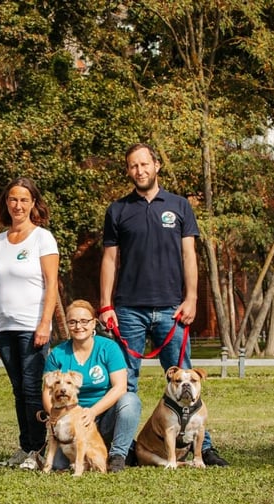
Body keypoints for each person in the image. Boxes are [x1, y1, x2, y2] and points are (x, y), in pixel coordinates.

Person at [98, 142, 229, 467]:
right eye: (133, 166)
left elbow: (189, 256)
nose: (139, 171)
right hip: (128, 309)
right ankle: (121, 449)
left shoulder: (180, 206)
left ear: (156, 165)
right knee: (125, 381)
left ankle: (204, 447)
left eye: (144, 164)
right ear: (128, 170)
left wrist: (192, 298)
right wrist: (105, 304)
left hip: (173, 309)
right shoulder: (117, 210)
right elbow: (110, 259)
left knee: (186, 381)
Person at [0, 177, 59, 470]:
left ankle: (38, 450)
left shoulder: (42, 238)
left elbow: (52, 285)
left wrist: (45, 323)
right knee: (17, 388)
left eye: (24, 200)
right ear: (6, 203)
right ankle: (25, 446)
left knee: (31, 388)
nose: (18, 205)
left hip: (32, 325)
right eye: (13, 199)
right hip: (5, 327)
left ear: (33, 203)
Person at [43, 300, 139, 473]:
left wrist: (92, 412)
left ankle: (118, 456)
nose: (78, 326)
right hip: (68, 420)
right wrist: (54, 418)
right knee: (59, 465)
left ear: (94, 322)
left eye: (84, 321)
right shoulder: (58, 354)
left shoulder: (109, 348)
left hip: (103, 415)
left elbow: (120, 387)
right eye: (72, 322)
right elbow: (47, 392)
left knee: (130, 401)